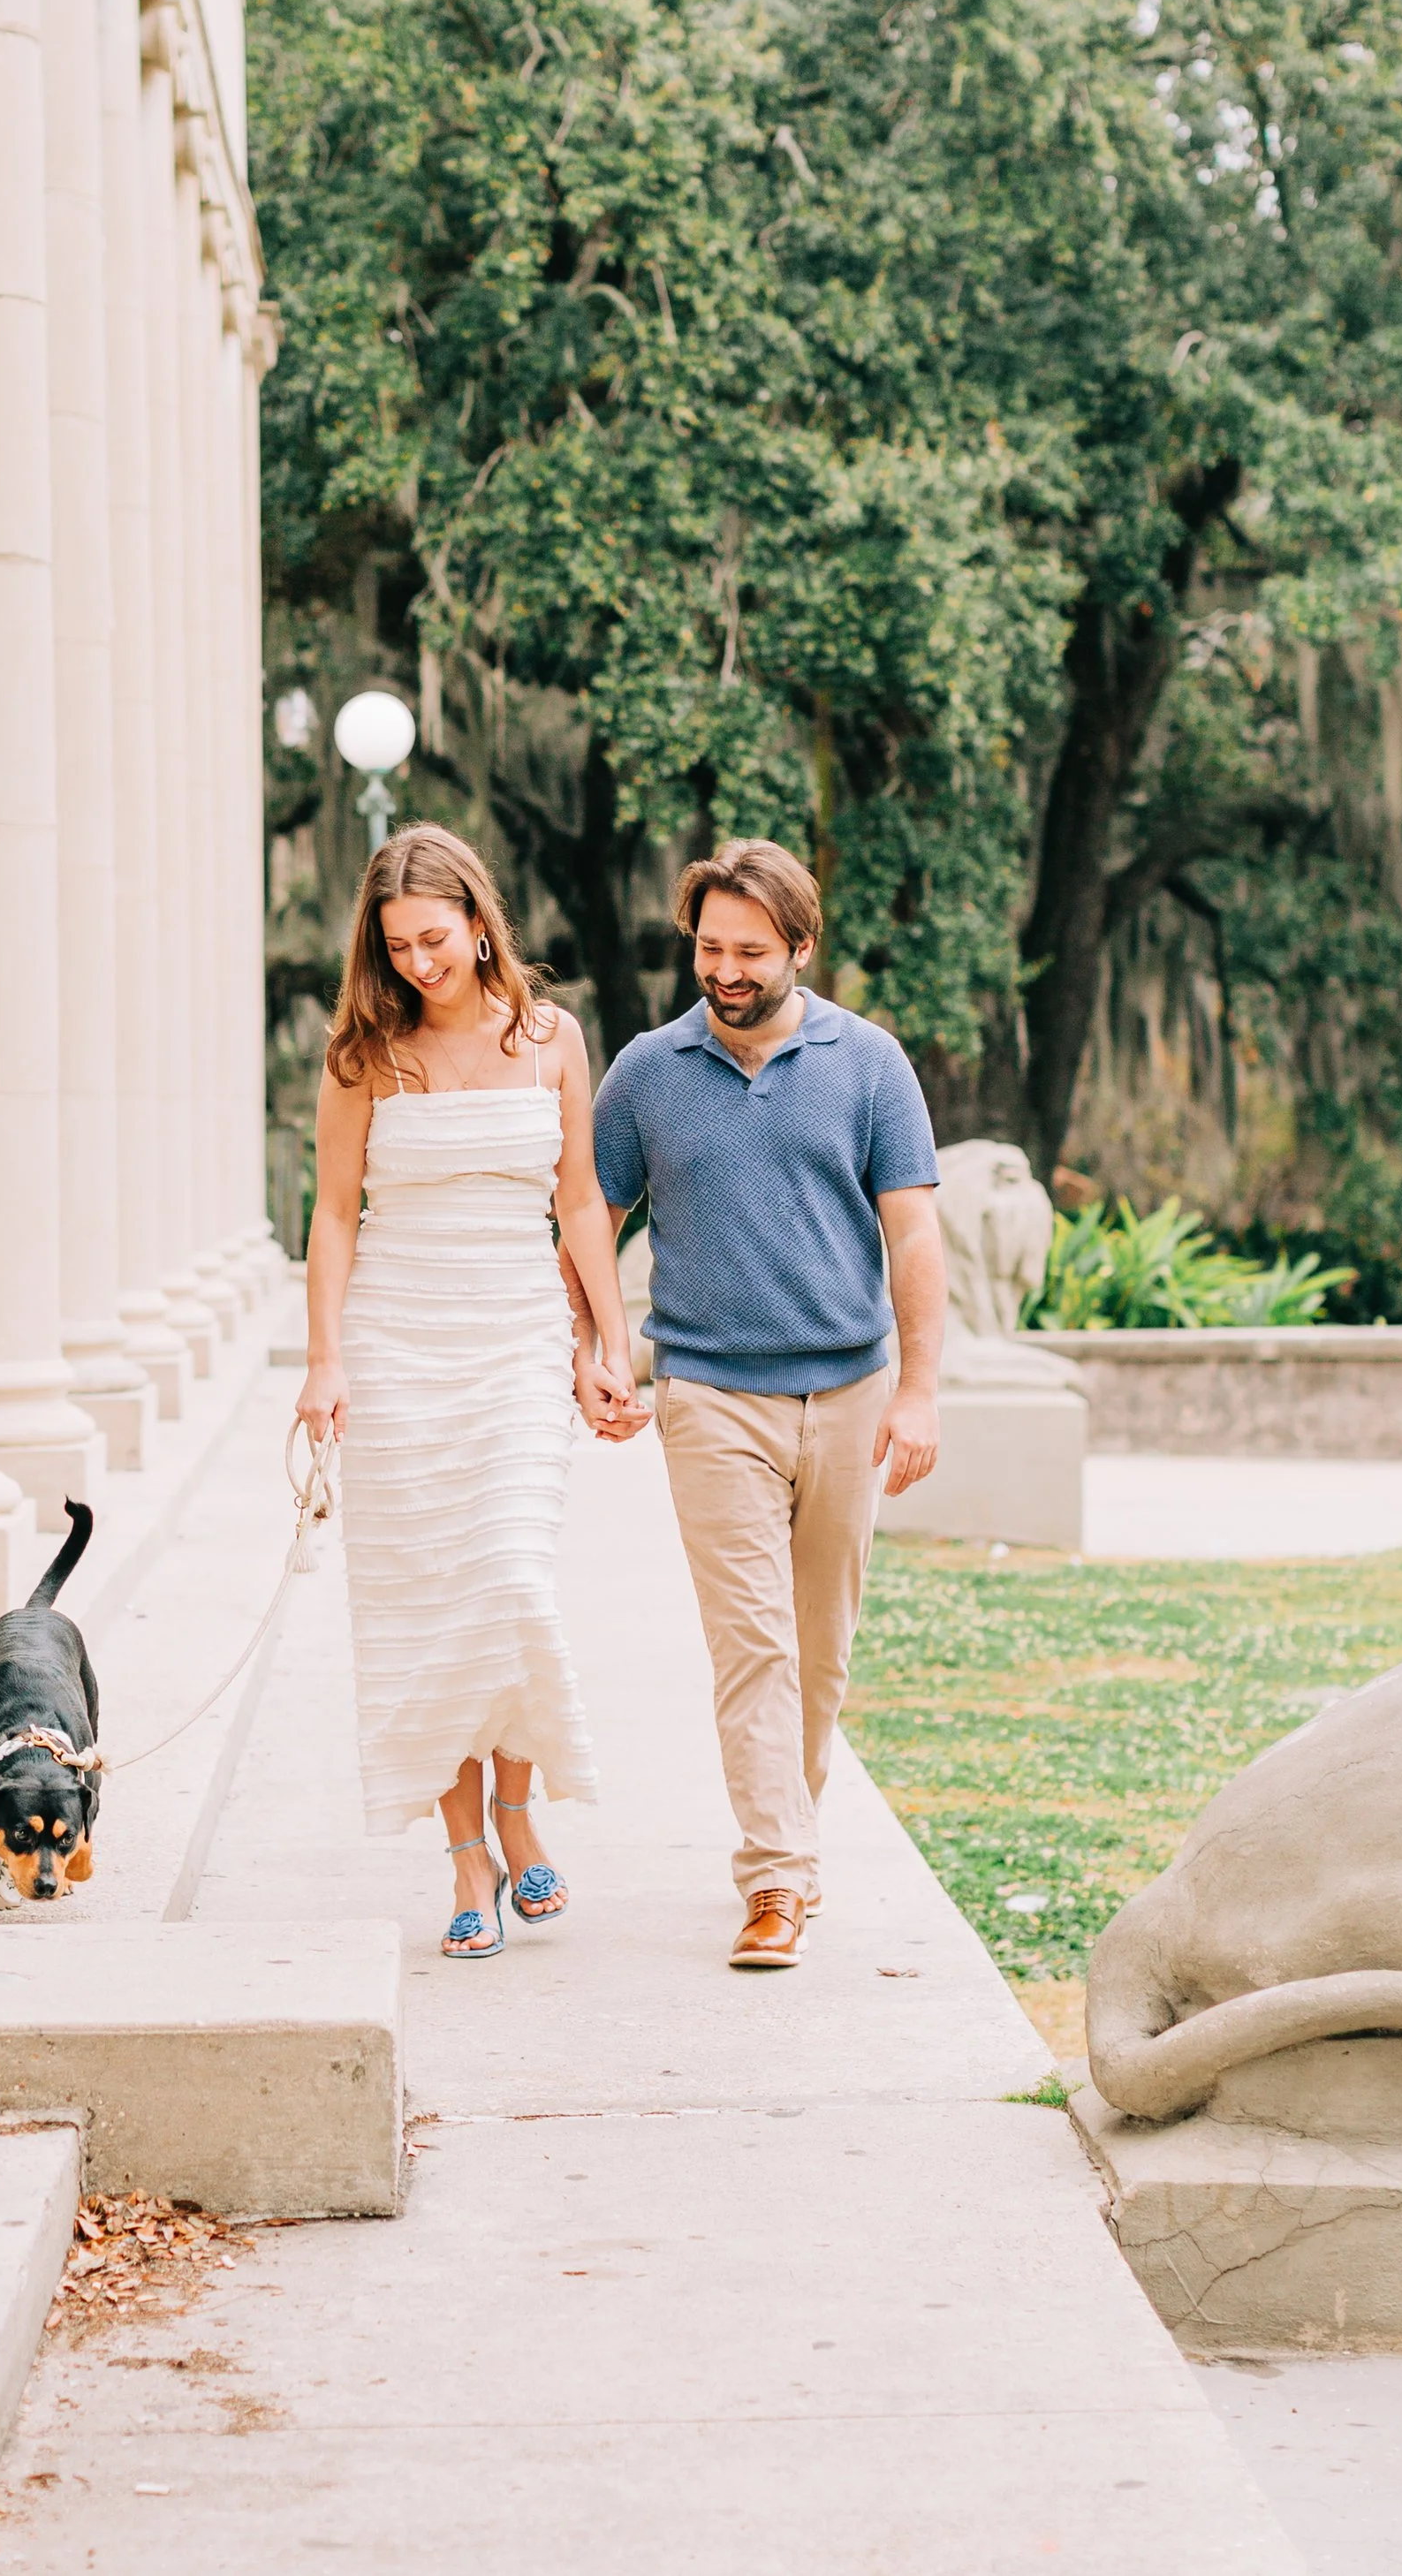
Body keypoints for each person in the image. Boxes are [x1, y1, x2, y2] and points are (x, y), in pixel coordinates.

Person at [572, 839, 944, 1972]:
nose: (724, 970)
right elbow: (590, 1212)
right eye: (708, 948)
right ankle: (774, 1877)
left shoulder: (869, 1063)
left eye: (748, 950)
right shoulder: (645, 1070)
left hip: (847, 1386)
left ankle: (794, 1833)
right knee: (753, 1646)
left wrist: (921, 1390)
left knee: (819, 1653)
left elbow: (914, 1229)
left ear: (798, 946)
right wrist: (597, 1340)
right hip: (710, 1394)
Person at [295, 825, 638, 1960]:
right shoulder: (364, 1058)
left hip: (513, 1339)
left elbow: (580, 1201)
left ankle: (516, 1804)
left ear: (480, 922)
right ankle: (465, 1857)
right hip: (400, 1346)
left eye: (434, 940)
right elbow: (334, 1215)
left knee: (510, 1580)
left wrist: (609, 1340)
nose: (417, 965)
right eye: (395, 948)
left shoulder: (551, 1039)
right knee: (425, 1609)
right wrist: (325, 1361)